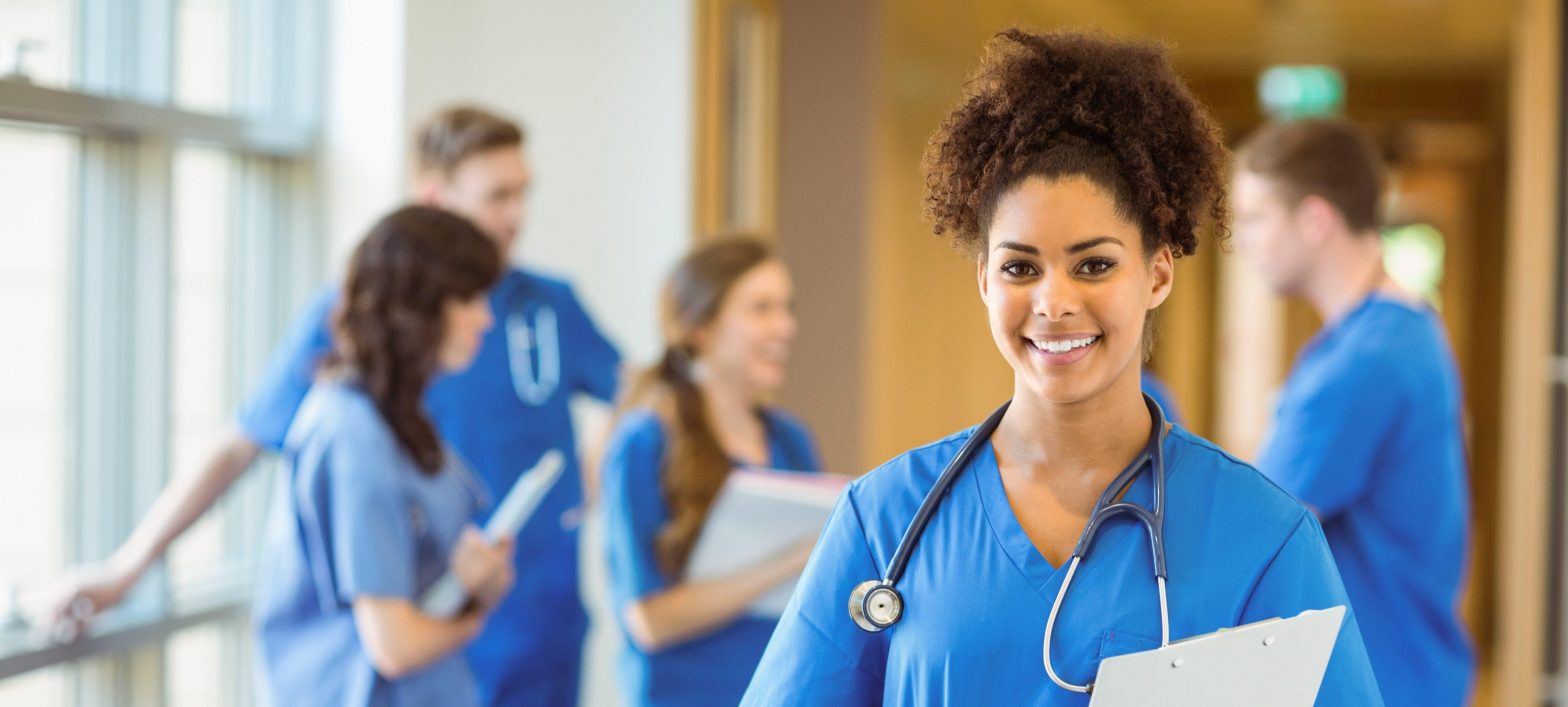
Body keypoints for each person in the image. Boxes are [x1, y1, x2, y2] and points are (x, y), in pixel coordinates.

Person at [739, 29, 1382, 705]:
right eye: (1020, 267)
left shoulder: (1263, 538)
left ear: (1158, 272)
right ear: (985, 278)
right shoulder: (885, 520)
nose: (1054, 302)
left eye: (1094, 264)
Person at [50, 106, 620, 706]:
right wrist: (129, 567)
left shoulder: (540, 307)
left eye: (523, 193)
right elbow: (242, 442)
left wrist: (581, 484)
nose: (516, 216)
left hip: (519, 621)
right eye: (497, 196)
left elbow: (631, 386)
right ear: (433, 200)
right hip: (391, 655)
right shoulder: (356, 394)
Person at [1233, 118, 1473, 706]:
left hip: (1381, 683)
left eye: (1256, 218)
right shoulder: (1406, 328)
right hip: (1416, 672)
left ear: (1315, 220)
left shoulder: (1364, 360)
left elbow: (1253, 535)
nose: (1243, 240)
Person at [253, 205, 513, 706]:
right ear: (415, 306)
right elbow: (396, 645)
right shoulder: (352, 435)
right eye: (467, 299)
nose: (485, 318)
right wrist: (473, 620)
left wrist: (479, 584)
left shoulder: (399, 415)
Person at [599, 238, 823, 706]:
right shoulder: (644, 443)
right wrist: (791, 561)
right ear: (701, 327)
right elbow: (649, 621)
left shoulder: (790, 439)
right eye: (761, 309)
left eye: (788, 308)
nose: (785, 327)